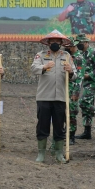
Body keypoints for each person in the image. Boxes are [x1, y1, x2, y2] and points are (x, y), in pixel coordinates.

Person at [31, 30, 76, 163]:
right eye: (53, 41)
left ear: (62, 43)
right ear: (48, 42)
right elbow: (34, 68)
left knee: (59, 126)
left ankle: (59, 154)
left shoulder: (67, 56)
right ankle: (41, 154)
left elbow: (74, 76)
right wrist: (44, 66)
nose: (55, 43)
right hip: (44, 96)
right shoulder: (41, 55)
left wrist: (71, 71)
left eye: (58, 41)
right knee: (42, 125)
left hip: (60, 97)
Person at [74, 33, 95, 140]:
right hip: (85, 83)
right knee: (86, 106)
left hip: (94, 82)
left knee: (83, 102)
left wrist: (90, 75)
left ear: (87, 43)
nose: (79, 44)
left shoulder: (93, 53)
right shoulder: (79, 54)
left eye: (81, 42)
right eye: (78, 42)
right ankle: (87, 132)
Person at [63, 36, 86, 145]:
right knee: (62, 112)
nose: (65, 48)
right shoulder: (64, 56)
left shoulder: (79, 58)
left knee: (72, 113)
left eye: (68, 46)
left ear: (73, 46)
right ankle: (64, 133)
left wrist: (75, 93)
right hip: (62, 89)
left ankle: (71, 136)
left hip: (72, 90)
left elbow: (80, 77)